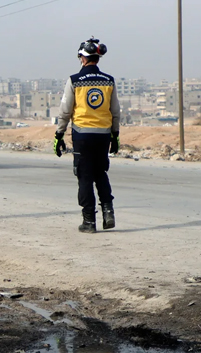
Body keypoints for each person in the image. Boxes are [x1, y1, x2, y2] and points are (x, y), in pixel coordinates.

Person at [54, 38, 121, 233]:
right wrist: (115, 135)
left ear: (82, 59)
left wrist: (59, 135)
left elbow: (65, 111)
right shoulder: (109, 81)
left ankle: (89, 221)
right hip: (103, 136)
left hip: (82, 136)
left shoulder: (74, 80)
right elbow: (115, 111)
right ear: (97, 59)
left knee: (84, 176)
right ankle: (108, 211)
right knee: (100, 173)